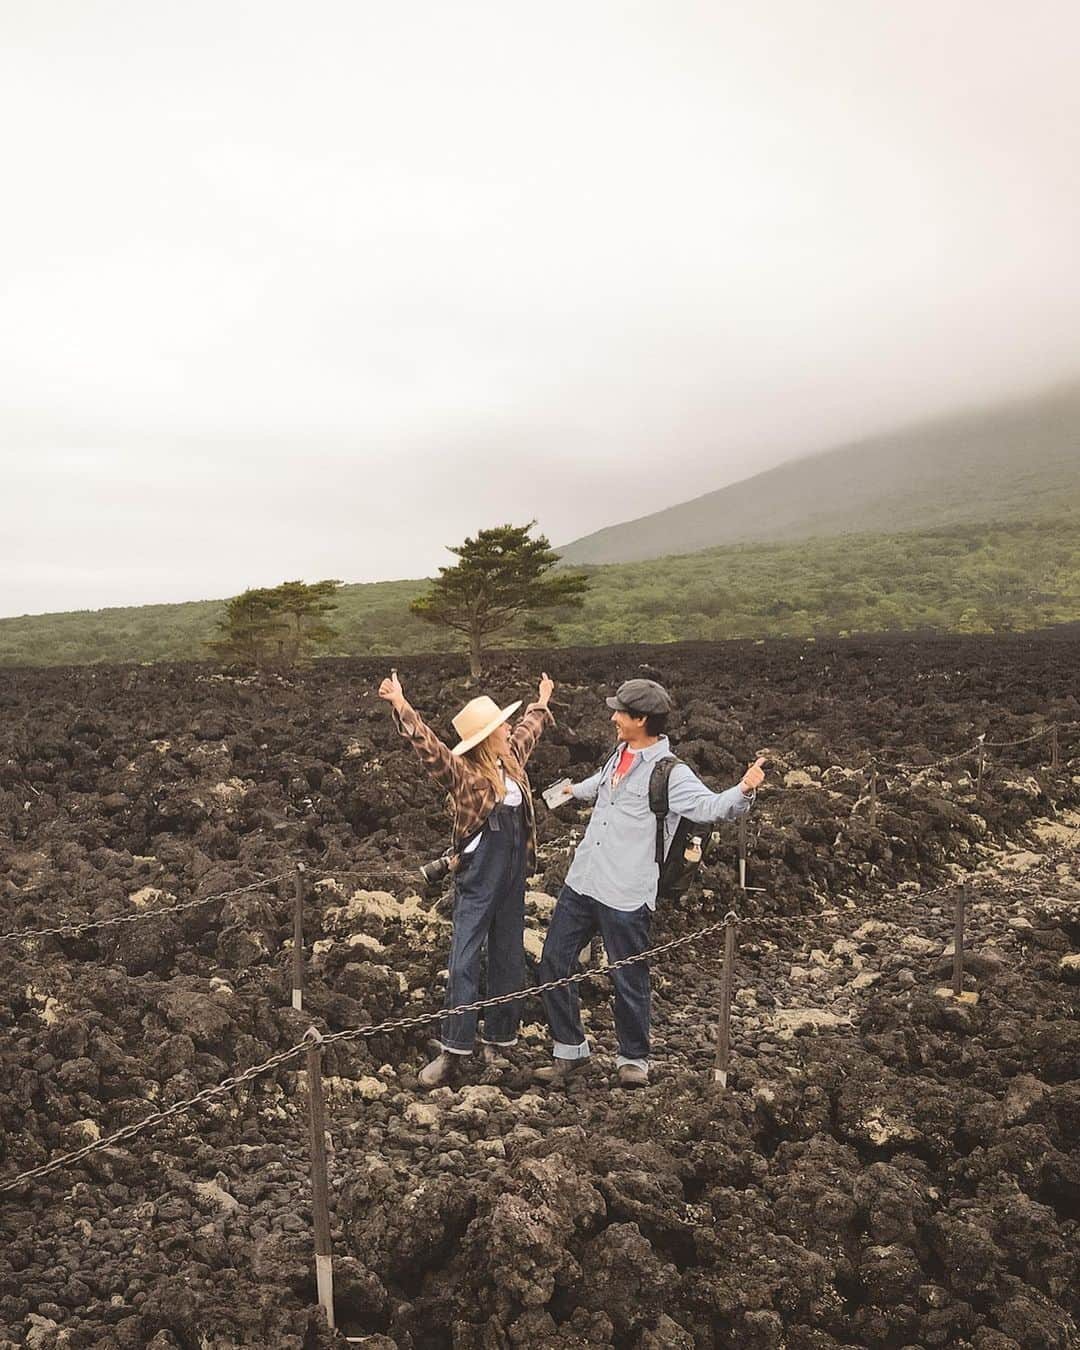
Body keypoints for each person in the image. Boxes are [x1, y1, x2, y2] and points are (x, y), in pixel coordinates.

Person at [535, 678, 766, 1089]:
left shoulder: (671, 774)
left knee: (628, 976)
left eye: (620, 712)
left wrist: (744, 790)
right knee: (554, 961)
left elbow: (710, 806)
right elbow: (602, 785)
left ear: (641, 720)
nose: (613, 717)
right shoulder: (619, 754)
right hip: (584, 878)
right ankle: (570, 1051)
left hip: (626, 889)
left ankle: (633, 1059)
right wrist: (573, 790)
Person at [378, 668, 555, 1089]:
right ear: (487, 737)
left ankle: (500, 1041)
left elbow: (529, 729)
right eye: (500, 725)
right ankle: (454, 1049)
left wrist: (543, 700)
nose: (508, 727)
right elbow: (430, 748)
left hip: (513, 875)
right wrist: (402, 705)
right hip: (479, 877)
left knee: (508, 956)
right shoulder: (466, 777)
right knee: (464, 959)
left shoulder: (511, 760)